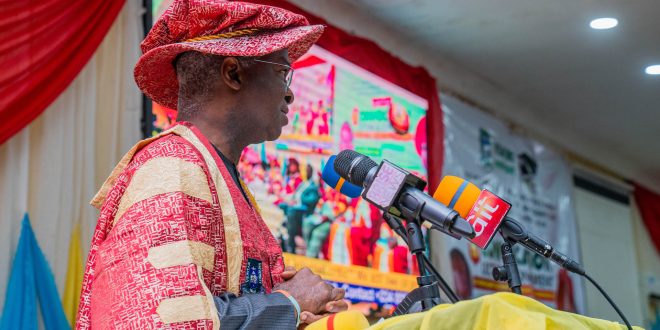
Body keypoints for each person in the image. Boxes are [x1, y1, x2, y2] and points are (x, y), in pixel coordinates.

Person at [76, 1, 346, 328]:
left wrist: (295, 309)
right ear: (233, 73)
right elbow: (160, 319)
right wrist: (288, 302)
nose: (289, 95)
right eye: (281, 73)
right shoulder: (172, 167)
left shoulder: (213, 170)